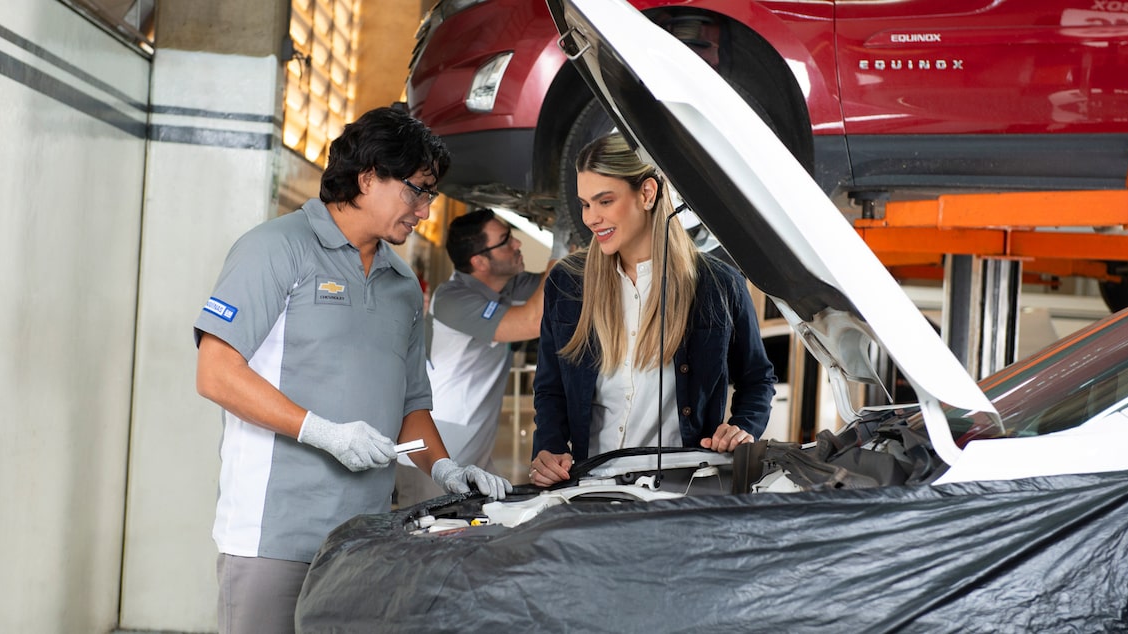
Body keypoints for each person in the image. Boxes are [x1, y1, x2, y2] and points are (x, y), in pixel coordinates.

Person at [193, 106, 511, 634]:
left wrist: (445, 470)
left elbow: (410, 404)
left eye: (430, 194)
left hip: (366, 539)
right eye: (418, 190)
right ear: (368, 178)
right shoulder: (275, 250)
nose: (425, 211)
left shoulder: (403, 285)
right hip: (272, 536)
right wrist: (321, 432)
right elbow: (216, 372)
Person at [528, 133, 776, 486]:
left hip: (681, 489)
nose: (591, 218)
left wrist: (741, 429)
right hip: (590, 486)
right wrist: (548, 448)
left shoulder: (719, 286)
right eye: (585, 204)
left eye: (605, 201)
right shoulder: (568, 284)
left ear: (647, 193)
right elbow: (550, 388)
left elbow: (757, 380)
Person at [395, 209, 567, 505]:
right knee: (432, 547)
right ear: (480, 261)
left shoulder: (507, 285)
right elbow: (533, 318)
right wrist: (561, 243)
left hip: (473, 453)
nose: (517, 245)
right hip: (432, 460)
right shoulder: (452, 298)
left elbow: (554, 288)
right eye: (506, 240)